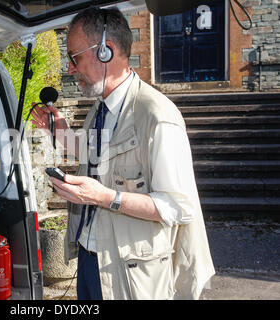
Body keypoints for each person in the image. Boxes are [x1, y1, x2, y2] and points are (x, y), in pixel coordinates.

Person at [31, 6, 214, 300]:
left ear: (107, 50)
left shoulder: (157, 116)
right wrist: (61, 133)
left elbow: (179, 207)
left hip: (129, 276)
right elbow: (100, 157)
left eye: (74, 57)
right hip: (91, 261)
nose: (70, 68)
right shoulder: (99, 108)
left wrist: (105, 197)